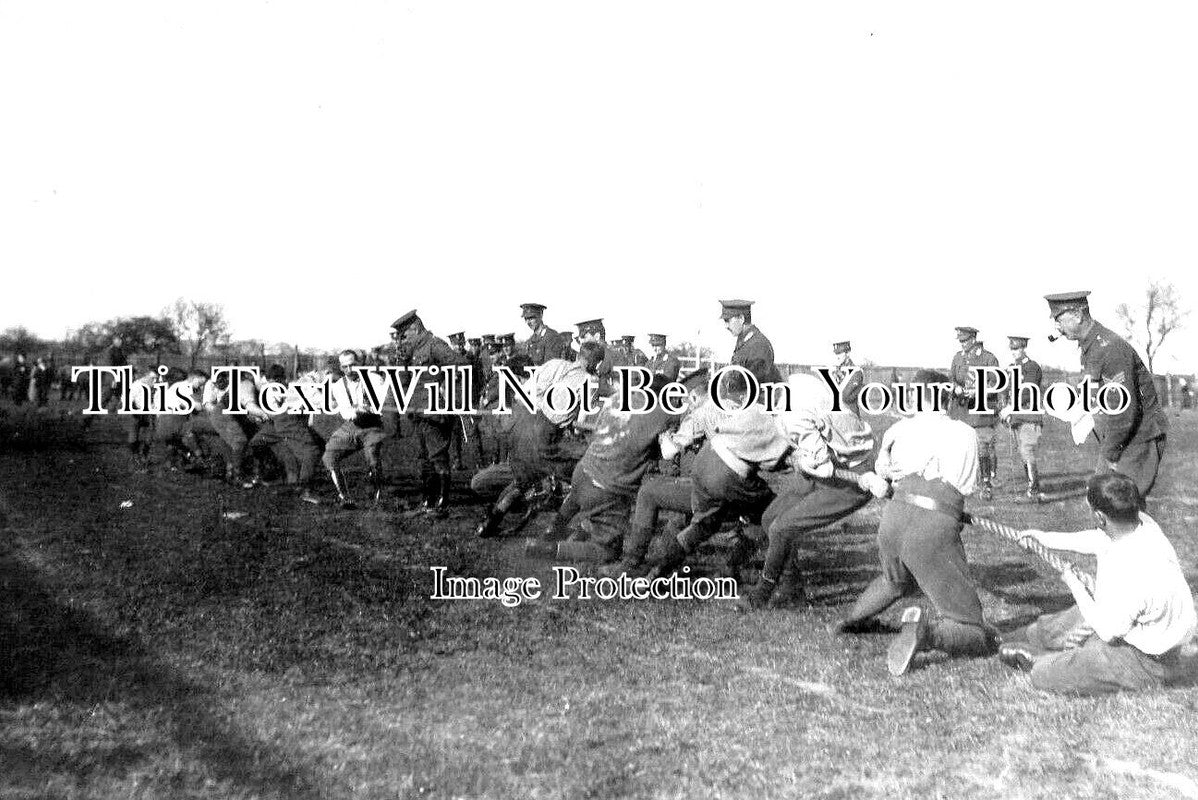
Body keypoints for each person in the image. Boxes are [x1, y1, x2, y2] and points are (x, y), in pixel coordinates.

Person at [837, 370, 999, 676]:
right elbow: (964, 487)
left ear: (915, 396)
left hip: (893, 518)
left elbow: (882, 474)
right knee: (974, 630)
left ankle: (851, 622)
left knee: (893, 581)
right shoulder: (964, 432)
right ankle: (926, 634)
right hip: (934, 519)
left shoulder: (897, 429)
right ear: (947, 397)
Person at [999, 472, 1197, 694]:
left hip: (1147, 663)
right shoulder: (1144, 524)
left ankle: (1047, 661)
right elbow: (1096, 539)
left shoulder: (1133, 572)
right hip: (1143, 635)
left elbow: (1107, 630)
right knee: (1077, 617)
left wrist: (1075, 585)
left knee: (1043, 676)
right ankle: (1022, 637)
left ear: (1100, 518)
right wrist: (1042, 537)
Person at [738, 373, 879, 610]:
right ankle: (793, 588)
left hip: (852, 477)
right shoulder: (799, 380)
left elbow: (822, 467)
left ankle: (761, 595)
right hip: (841, 459)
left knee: (781, 528)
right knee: (770, 518)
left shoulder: (791, 416)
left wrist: (798, 460)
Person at [650, 368, 791, 580]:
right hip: (729, 473)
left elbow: (669, 451)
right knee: (776, 515)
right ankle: (781, 584)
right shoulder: (766, 414)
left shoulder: (706, 410)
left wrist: (665, 439)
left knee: (704, 525)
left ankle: (657, 573)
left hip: (704, 465)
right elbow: (774, 464)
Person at [525, 372, 680, 563]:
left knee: (575, 498)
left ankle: (553, 530)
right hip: (609, 487)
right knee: (607, 551)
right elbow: (667, 453)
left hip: (583, 470)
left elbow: (598, 427)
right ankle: (548, 550)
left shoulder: (618, 398)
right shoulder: (665, 415)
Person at [472, 342, 604, 538]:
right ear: (597, 363)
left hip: (521, 423)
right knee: (581, 475)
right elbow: (583, 419)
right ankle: (564, 527)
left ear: (578, 355)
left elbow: (523, 392)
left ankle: (488, 523)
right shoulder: (591, 381)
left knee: (522, 479)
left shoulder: (554, 364)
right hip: (544, 431)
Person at [1046, 290, 1168, 501]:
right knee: (1110, 507)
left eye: (1059, 319)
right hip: (1123, 439)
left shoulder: (1109, 348)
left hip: (1136, 439)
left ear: (1077, 315)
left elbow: (1124, 412)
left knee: (1121, 508)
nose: (1057, 327)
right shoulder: (1092, 346)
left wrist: (1110, 455)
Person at [392, 310, 467, 515]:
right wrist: (402, 362)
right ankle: (428, 499)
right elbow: (405, 382)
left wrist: (446, 389)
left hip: (435, 412)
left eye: (404, 335)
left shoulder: (434, 345)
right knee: (423, 457)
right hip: (419, 412)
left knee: (437, 455)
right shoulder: (414, 350)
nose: (402, 340)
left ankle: (442, 501)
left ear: (415, 329)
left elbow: (462, 365)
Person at [322, 349, 391, 508]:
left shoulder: (374, 379)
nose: (349, 370)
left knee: (372, 456)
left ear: (360, 363)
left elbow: (381, 402)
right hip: (352, 426)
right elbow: (346, 412)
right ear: (340, 367)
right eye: (345, 367)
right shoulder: (339, 386)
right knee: (329, 456)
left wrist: (366, 407)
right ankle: (344, 497)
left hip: (372, 426)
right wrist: (356, 410)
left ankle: (378, 497)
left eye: (353, 365)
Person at [949, 326, 1001, 501]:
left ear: (973, 339)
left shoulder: (988, 358)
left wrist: (978, 392)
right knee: (962, 448)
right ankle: (963, 483)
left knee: (982, 449)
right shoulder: (957, 357)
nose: (962, 344)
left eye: (964, 341)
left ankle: (986, 484)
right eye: (960, 341)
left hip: (981, 413)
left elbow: (996, 383)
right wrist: (955, 388)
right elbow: (952, 378)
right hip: (962, 411)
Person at [1000, 335, 1044, 500]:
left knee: (1027, 450)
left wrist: (1011, 408)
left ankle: (1034, 491)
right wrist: (1005, 407)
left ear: (1024, 347)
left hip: (1029, 415)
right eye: (1012, 348)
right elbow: (1004, 390)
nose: (1014, 352)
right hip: (1016, 417)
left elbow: (1028, 392)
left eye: (1017, 348)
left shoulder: (1032, 367)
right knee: (1023, 452)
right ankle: (1032, 489)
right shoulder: (1010, 368)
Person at [720, 299, 783, 387]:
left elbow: (750, 385)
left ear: (741, 318)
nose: (726, 326)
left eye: (727, 320)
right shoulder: (745, 341)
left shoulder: (758, 345)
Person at [829, 340, 865, 415]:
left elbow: (845, 397)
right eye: (836, 354)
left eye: (840, 353)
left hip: (850, 416)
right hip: (837, 416)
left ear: (847, 354)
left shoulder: (856, 372)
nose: (837, 357)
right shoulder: (834, 371)